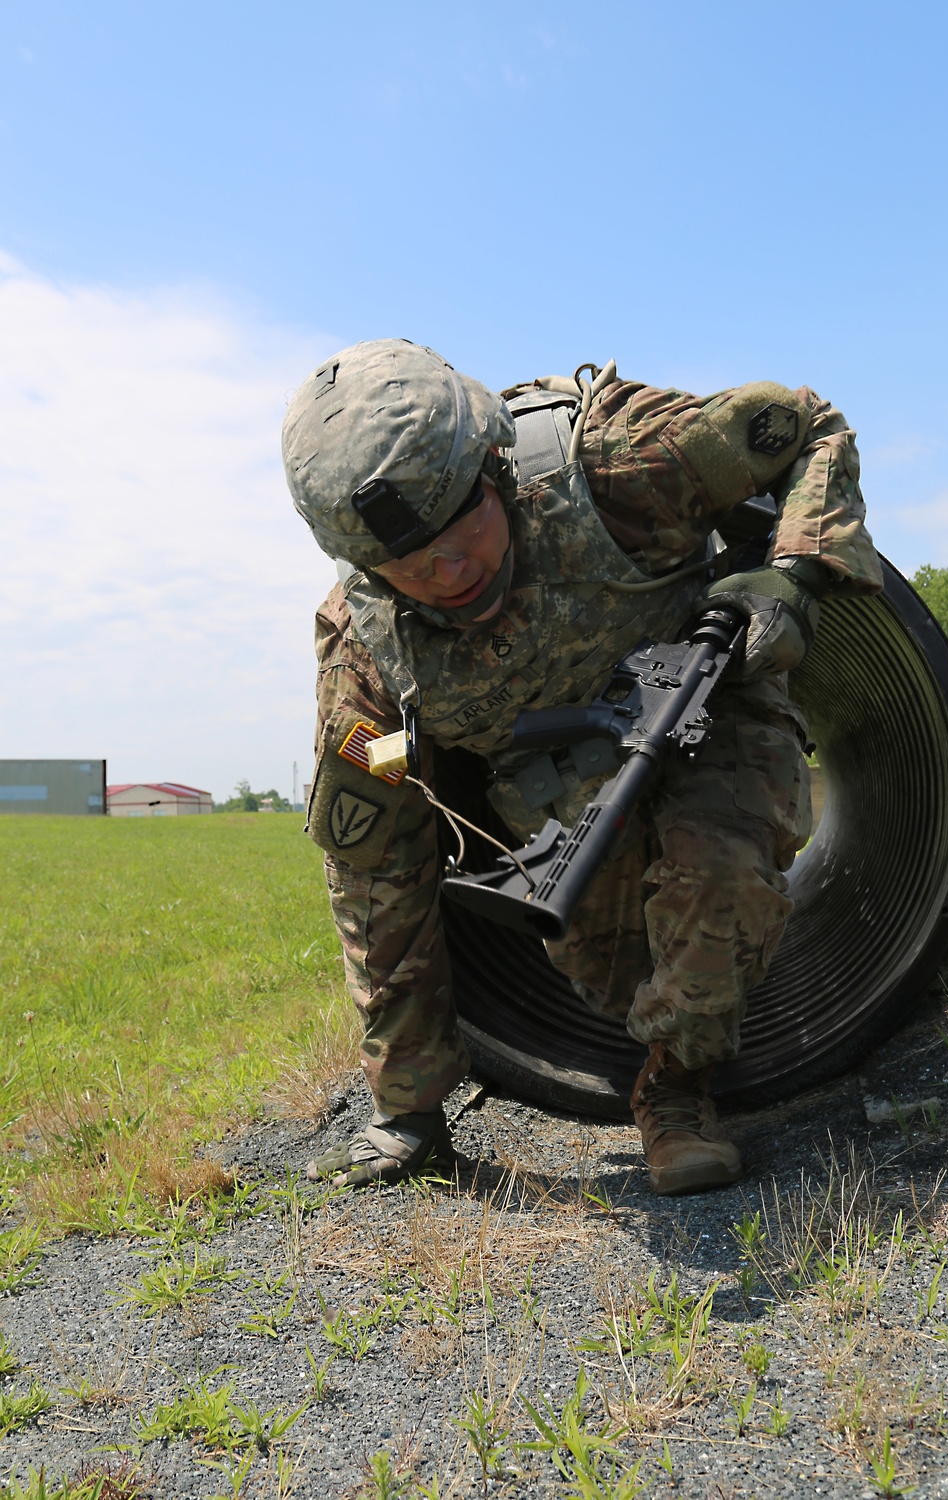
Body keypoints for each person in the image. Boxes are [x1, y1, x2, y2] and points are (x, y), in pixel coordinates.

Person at [282, 339, 882, 1195]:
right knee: (618, 977)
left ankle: (674, 1094)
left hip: (716, 715)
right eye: (409, 568)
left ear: (495, 472)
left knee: (721, 878)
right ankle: (667, 1027)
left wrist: (793, 576)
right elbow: (375, 871)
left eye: (463, 536)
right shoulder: (368, 650)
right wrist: (407, 1107)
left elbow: (810, 427)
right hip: (566, 800)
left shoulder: (621, 466)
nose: (447, 575)